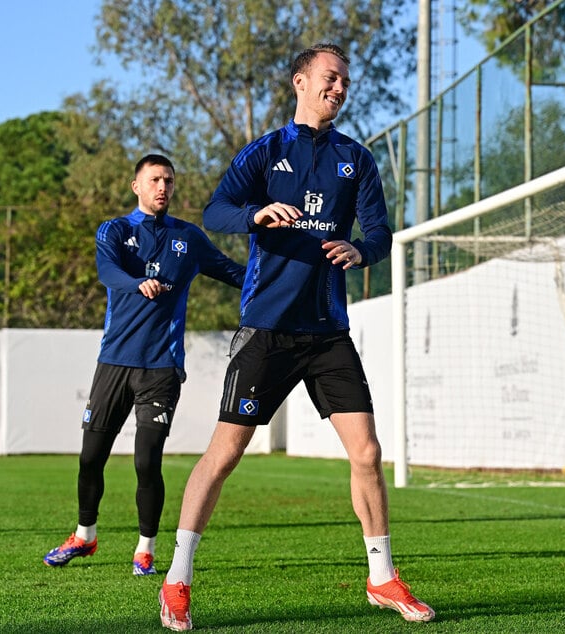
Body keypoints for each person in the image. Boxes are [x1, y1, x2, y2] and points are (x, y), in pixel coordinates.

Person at [157, 44, 435, 630]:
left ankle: (381, 577)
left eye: (345, 82)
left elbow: (381, 233)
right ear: (301, 82)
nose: (338, 88)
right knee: (226, 452)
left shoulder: (356, 159)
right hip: (268, 329)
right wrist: (255, 215)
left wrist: (362, 249)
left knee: (367, 452)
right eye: (329, 78)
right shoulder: (266, 151)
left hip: (329, 331)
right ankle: (177, 577)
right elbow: (215, 211)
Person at [43, 154, 245, 576]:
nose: (162, 188)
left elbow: (233, 273)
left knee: (146, 459)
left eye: (169, 181)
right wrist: (137, 283)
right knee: (90, 456)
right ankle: (85, 536)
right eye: (154, 180)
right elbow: (107, 271)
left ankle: (145, 549)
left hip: (162, 367)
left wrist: (282, 276)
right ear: (136, 185)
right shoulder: (115, 230)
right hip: (114, 362)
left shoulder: (188, 239)